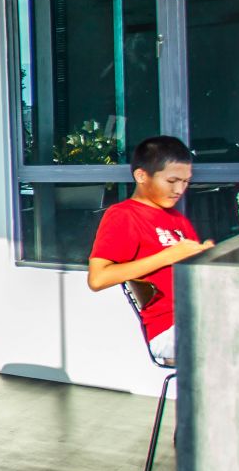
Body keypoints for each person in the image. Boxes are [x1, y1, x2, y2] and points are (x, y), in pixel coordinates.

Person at [87, 136, 215, 364]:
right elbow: (98, 279)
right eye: (172, 181)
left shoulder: (177, 219)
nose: (179, 189)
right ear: (141, 176)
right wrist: (167, 257)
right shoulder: (124, 215)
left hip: (201, 316)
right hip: (170, 327)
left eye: (186, 181)